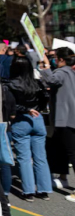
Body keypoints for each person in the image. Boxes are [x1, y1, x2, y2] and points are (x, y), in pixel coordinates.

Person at [6, 56, 51, 201]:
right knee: (40, 157)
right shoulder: (37, 83)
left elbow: (11, 105)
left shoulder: (11, 84)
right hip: (37, 119)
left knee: (24, 158)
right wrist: (39, 109)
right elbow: (46, 96)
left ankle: (29, 191)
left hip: (20, 120)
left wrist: (25, 110)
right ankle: (44, 189)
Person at [40, 47, 75, 202]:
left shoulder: (63, 72)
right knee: (61, 149)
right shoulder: (70, 72)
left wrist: (46, 67)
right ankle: (62, 177)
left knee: (72, 153)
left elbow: (51, 80)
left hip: (66, 118)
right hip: (64, 118)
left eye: (54, 57)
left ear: (61, 59)